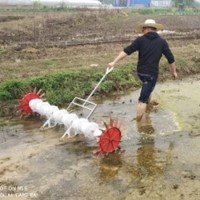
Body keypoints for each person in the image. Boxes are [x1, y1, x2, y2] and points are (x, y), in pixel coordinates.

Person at [108, 19, 178, 121]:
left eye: (143, 29)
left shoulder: (140, 40)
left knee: (147, 88)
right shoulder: (162, 42)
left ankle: (148, 111)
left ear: (146, 28)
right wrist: (174, 72)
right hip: (151, 74)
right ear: (154, 29)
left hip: (140, 72)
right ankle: (139, 124)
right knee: (142, 100)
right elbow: (171, 59)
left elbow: (127, 51)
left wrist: (114, 62)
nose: (143, 31)